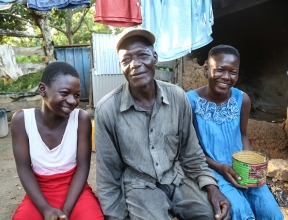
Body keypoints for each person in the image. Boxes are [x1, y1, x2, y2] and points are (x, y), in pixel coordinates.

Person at [95, 27, 231, 220]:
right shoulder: (107, 110)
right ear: (120, 66)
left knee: (214, 214)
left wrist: (212, 188)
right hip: (139, 186)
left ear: (155, 58)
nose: (135, 64)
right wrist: (116, 217)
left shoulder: (177, 97)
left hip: (176, 178)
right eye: (126, 60)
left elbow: (191, 152)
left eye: (143, 55)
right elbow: (108, 175)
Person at [186, 45, 283, 220]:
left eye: (233, 72)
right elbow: (192, 149)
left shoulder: (242, 99)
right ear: (207, 69)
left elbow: (243, 134)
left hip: (241, 168)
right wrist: (221, 168)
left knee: (270, 211)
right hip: (212, 170)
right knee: (240, 211)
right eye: (220, 70)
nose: (226, 77)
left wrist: (248, 162)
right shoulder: (190, 102)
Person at [11, 62, 104, 220]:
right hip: (39, 193)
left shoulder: (80, 119)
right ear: (43, 90)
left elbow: (83, 167)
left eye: (76, 95)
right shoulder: (22, 120)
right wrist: (45, 209)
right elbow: (24, 168)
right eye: (65, 93)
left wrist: (66, 210)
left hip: (75, 191)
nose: (72, 101)